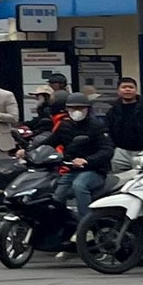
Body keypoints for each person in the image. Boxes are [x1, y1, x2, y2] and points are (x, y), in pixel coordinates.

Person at [44, 93, 113, 247]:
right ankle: (65, 229)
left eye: (80, 108)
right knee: (56, 196)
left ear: (88, 109)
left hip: (95, 171)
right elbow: (49, 143)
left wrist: (87, 160)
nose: (76, 111)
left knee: (79, 185)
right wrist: (29, 151)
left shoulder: (97, 126)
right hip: (71, 170)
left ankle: (86, 228)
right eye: (72, 108)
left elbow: (107, 150)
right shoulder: (64, 126)